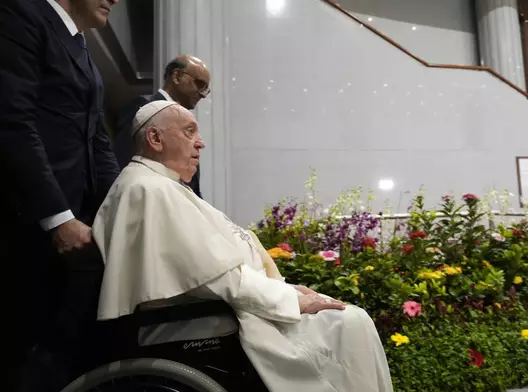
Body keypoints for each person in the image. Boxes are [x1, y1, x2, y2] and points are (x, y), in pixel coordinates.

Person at [93, 101, 394, 392]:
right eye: (188, 131)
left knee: (348, 321)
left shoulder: (160, 184)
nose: (200, 143)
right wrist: (290, 300)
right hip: (202, 321)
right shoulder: (148, 189)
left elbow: (214, 268)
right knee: (348, 324)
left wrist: (286, 290)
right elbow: (216, 278)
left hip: (217, 310)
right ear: (155, 138)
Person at [0, 0, 121, 390]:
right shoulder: (21, 15)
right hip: (27, 224)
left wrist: (128, 207)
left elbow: (98, 142)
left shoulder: (81, 45)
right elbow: (13, 124)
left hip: (74, 222)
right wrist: (58, 217)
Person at [113, 54, 211, 197]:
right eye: (200, 84)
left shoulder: (187, 118)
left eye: (206, 89)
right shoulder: (143, 109)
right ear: (177, 76)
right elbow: (123, 161)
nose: (203, 94)